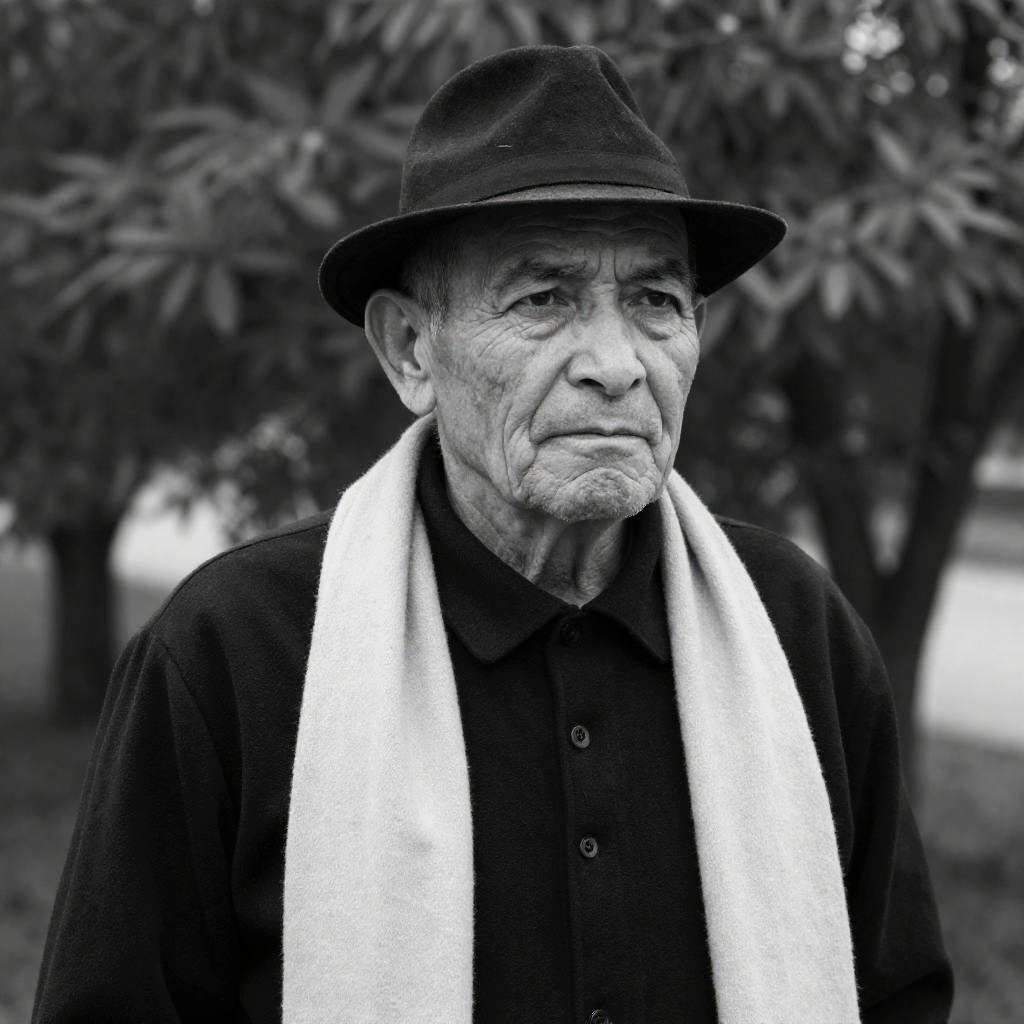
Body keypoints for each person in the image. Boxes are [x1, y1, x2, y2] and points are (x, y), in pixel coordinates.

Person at [34, 44, 952, 1024]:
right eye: (543, 299)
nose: (616, 364)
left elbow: (901, 996)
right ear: (410, 349)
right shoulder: (235, 652)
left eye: (654, 301)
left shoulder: (795, 629)